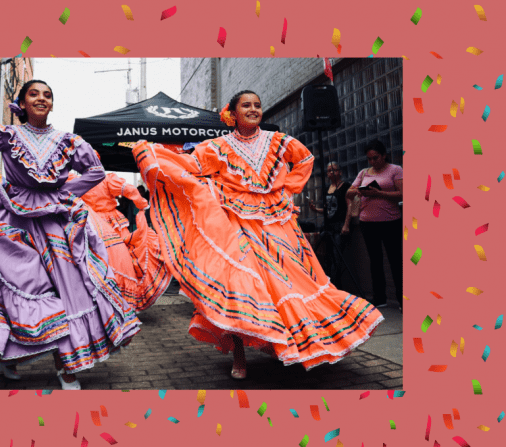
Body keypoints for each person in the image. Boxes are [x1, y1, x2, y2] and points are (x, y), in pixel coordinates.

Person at [132, 90, 384, 379]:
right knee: (240, 286)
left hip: (278, 225)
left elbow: (304, 159)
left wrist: (287, 189)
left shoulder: (278, 141)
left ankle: (288, 343)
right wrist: (155, 155)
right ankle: (239, 358)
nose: (253, 109)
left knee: (290, 284)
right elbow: (192, 167)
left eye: (257, 105)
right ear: (233, 113)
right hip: (236, 224)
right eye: (246, 105)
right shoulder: (217, 147)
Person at [0, 80, 140, 390]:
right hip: (13, 222)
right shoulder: (8, 135)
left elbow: (96, 172)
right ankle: (8, 358)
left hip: (56, 225)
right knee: (16, 287)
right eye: (34, 94)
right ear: (22, 102)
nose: (42, 99)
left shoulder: (67, 141)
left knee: (68, 291)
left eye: (47, 95)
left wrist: (62, 193)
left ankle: (68, 369)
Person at [73, 167, 171, 311]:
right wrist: (141, 203)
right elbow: (129, 190)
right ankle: (120, 299)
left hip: (90, 222)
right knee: (125, 255)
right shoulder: (106, 179)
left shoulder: (76, 181)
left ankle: (99, 300)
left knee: (92, 259)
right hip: (110, 223)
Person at [346, 140, 403, 311]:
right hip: (367, 223)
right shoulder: (364, 173)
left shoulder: (395, 170)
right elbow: (349, 192)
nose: (372, 162)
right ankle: (380, 298)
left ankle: (402, 299)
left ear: (384, 155)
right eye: (369, 159)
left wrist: (379, 193)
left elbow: (402, 194)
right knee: (375, 261)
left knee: (395, 260)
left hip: (390, 221)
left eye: (375, 158)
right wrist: (359, 190)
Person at [308, 161, 353, 286]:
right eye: (328, 170)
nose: (330, 172)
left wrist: (346, 225)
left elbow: (350, 206)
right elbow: (328, 210)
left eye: (333, 169)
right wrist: (315, 209)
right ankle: (326, 284)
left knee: (337, 257)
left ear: (340, 172)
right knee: (326, 256)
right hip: (328, 227)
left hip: (339, 226)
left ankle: (336, 285)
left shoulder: (345, 186)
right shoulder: (327, 188)